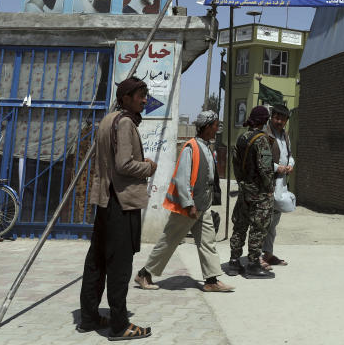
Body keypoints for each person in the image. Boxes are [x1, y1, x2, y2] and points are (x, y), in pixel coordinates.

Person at [78, 77, 157, 340]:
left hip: (104, 200)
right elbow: (124, 165)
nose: (144, 100)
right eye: (139, 96)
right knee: (120, 265)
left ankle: (88, 318)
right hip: (120, 202)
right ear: (125, 98)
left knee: (96, 261)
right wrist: (148, 167)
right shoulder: (124, 124)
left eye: (145, 95)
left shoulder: (107, 121)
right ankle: (120, 325)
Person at [134, 111, 234, 293]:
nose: (216, 129)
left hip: (202, 205)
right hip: (188, 208)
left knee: (207, 242)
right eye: (214, 125)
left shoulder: (206, 147)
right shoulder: (191, 147)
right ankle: (144, 274)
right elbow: (182, 180)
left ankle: (211, 280)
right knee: (169, 241)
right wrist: (189, 204)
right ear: (206, 126)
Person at [227, 105, 276, 279]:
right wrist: (270, 188)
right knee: (258, 227)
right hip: (260, 193)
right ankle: (254, 264)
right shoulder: (261, 139)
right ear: (264, 121)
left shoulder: (242, 138)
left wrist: (242, 183)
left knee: (240, 226)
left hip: (245, 190)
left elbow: (235, 164)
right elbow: (265, 168)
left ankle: (234, 262)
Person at [262, 103, 294, 268]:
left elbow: (289, 156)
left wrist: (290, 165)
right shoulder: (265, 135)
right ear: (271, 117)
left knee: (273, 223)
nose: (279, 121)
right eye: (276, 117)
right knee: (263, 222)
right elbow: (260, 160)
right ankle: (257, 257)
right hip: (266, 185)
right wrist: (277, 168)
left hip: (280, 184)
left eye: (282, 118)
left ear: (287, 120)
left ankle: (268, 254)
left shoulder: (285, 136)